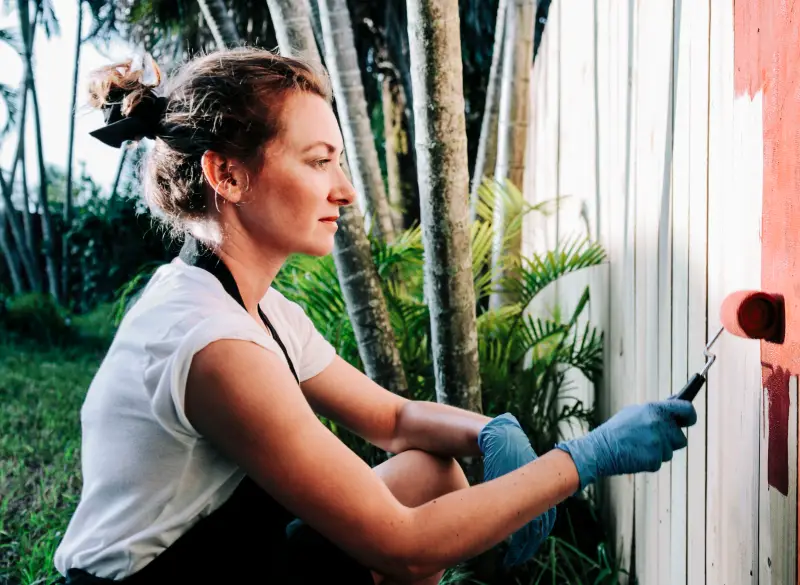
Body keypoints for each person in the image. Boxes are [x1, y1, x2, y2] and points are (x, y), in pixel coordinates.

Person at [53, 47, 697, 584]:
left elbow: (391, 419)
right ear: (227, 175)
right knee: (404, 528)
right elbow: (405, 543)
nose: (345, 189)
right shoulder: (213, 344)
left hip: (213, 550)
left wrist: (490, 431)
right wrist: (585, 458)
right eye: (317, 161)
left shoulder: (245, 302)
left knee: (430, 471)